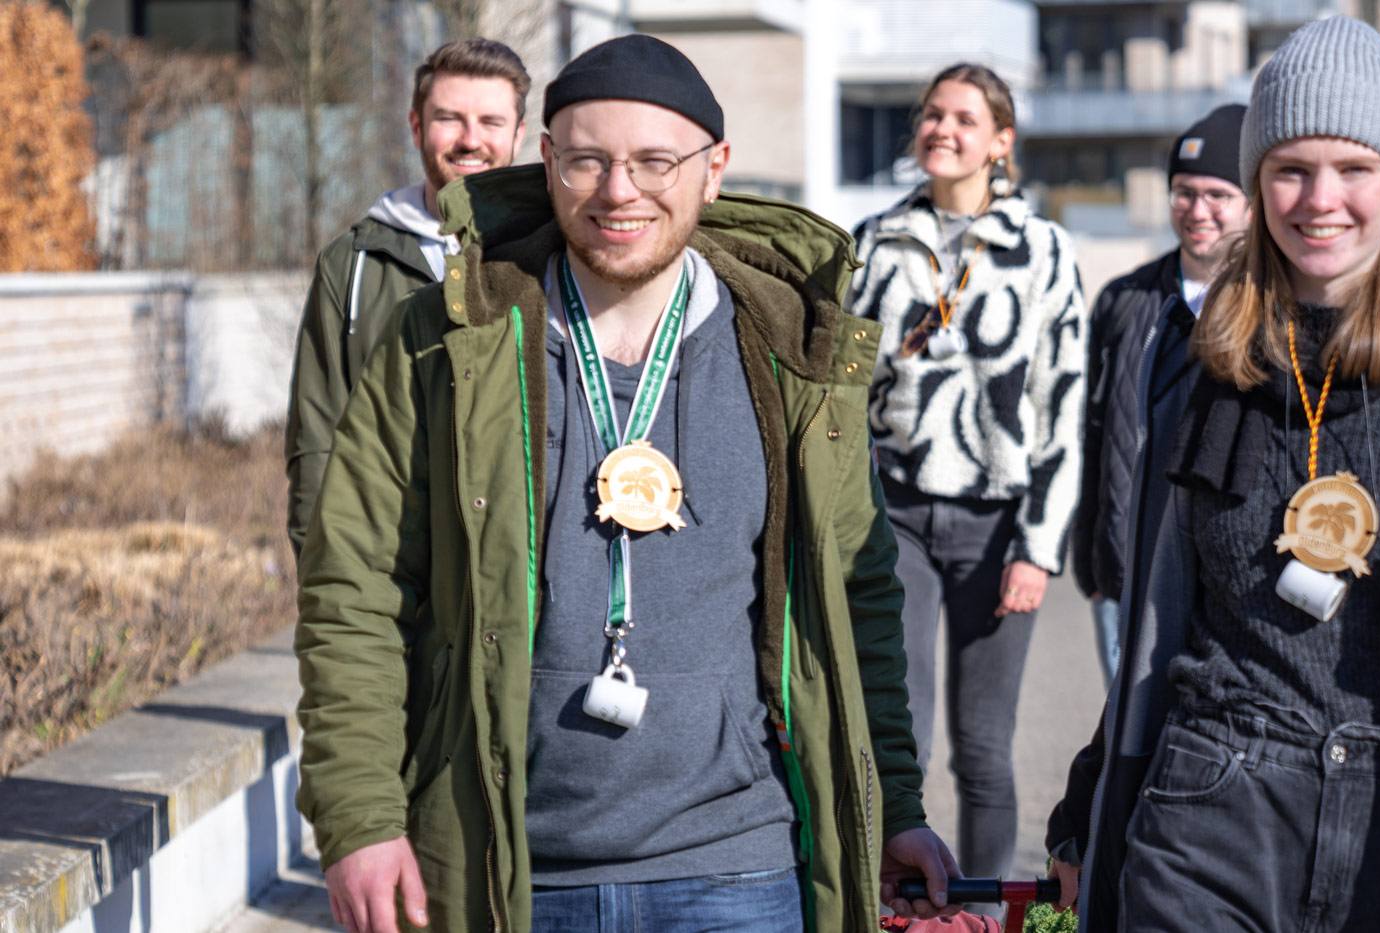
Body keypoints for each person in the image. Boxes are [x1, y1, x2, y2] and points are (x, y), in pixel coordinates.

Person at [295, 34, 957, 933]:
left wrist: (898, 805)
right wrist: (361, 819)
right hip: (509, 868)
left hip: (738, 867)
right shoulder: (441, 342)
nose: (619, 192)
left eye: (655, 162)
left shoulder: (794, 357)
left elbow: (857, 597)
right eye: (587, 161)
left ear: (714, 169)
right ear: (548, 159)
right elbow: (356, 591)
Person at [1045, 17, 1380, 932]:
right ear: (1258, 183)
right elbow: (1157, 617)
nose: (1319, 199)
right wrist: (1086, 806)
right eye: (1291, 169)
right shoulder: (1198, 367)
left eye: (1355, 169)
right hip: (1208, 803)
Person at [843, 62, 1087, 885]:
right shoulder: (873, 240)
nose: (941, 129)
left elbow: (1063, 404)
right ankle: (893, 901)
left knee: (983, 743)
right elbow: (841, 388)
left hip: (997, 522)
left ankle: (986, 909)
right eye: (931, 115)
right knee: (895, 730)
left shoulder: (1045, 249)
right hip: (895, 515)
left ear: (1001, 142)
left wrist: (1039, 546)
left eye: (964, 119)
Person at [283, 37, 529, 553]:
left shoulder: (553, 257)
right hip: (395, 570)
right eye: (449, 119)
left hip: (524, 572)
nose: (470, 140)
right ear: (416, 126)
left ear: (519, 134)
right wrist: (321, 577)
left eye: (490, 122)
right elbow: (319, 438)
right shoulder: (354, 264)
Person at [1071, 104, 1250, 684]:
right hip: (1124, 573)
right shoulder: (1124, 300)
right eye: (1183, 192)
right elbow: (1095, 431)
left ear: (1252, 203)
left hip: (1221, 584)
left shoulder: (1270, 309)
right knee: (1123, 743)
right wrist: (1092, 557)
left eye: (1219, 194)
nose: (1198, 211)